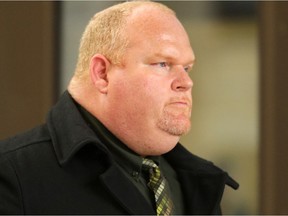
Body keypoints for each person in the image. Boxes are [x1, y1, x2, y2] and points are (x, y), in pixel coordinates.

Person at [0, 1, 239, 215]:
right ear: (102, 73)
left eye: (187, 68)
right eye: (163, 63)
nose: (186, 82)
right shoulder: (12, 176)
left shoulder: (195, 183)